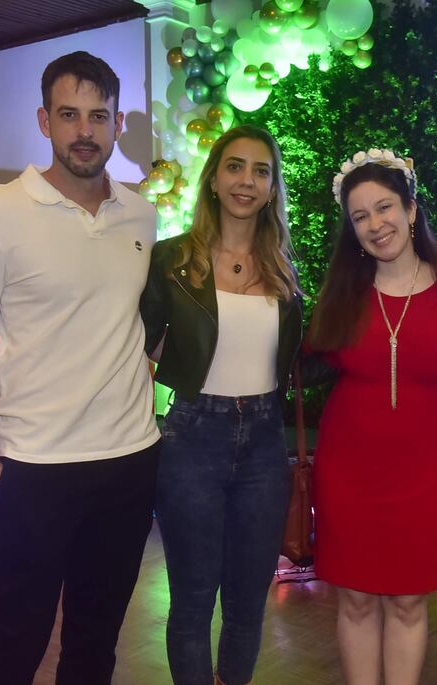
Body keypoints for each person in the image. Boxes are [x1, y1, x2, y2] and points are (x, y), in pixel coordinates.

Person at [0, 52, 161, 684]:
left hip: (128, 462)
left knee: (96, 642)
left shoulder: (141, 214)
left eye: (98, 115)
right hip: (32, 469)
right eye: (69, 115)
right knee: (14, 640)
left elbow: (133, 324)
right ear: (45, 120)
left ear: (118, 124)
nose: (84, 130)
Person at [306, 148, 437, 685]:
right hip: (348, 469)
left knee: (408, 603)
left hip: (427, 469)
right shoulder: (340, 295)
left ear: (411, 208)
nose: (376, 225)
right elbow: (308, 369)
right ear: (351, 231)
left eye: (384, 208)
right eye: (360, 217)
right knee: (355, 601)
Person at [140, 124, 302, 685]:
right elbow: (141, 344)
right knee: (191, 601)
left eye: (261, 171)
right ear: (213, 179)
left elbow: (294, 355)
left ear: (271, 187)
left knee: (247, 602)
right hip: (192, 438)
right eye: (235, 166)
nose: (247, 181)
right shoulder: (171, 259)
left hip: (262, 441)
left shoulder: (283, 266)